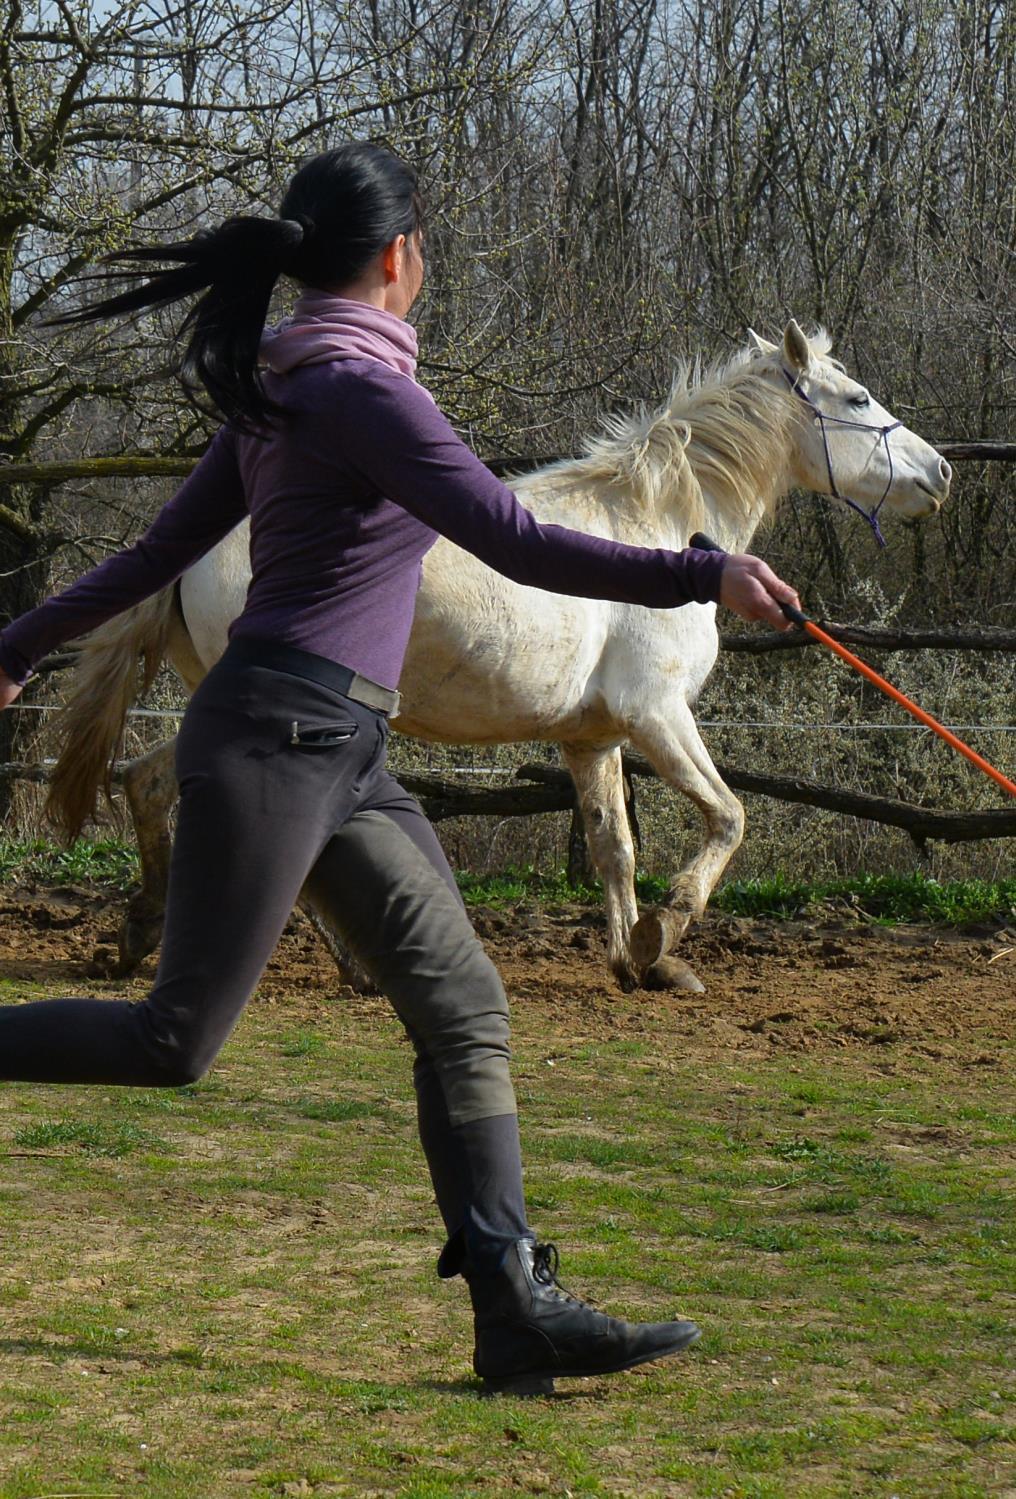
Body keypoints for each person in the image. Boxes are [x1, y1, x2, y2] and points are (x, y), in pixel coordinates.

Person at [0, 143, 801, 1396]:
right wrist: (703, 569)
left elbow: (157, 549)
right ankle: (512, 1299)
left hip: (340, 748)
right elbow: (516, 539)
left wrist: (15, 643)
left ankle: (512, 1308)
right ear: (397, 259)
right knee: (174, 1040)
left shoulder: (292, 384)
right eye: (422, 244)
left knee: (463, 1010)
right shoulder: (364, 397)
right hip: (277, 742)